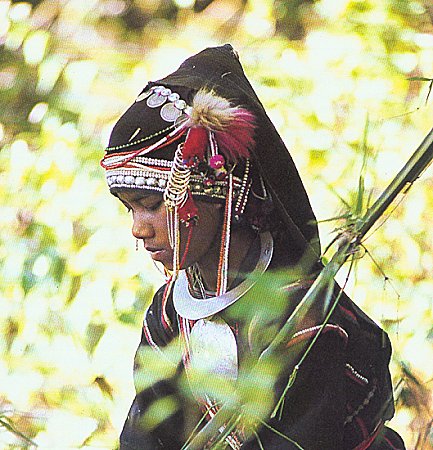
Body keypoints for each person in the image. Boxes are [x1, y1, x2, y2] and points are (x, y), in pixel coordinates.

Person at [101, 44, 405, 449]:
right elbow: (147, 436)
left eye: (153, 206)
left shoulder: (303, 313)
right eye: (130, 210)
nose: (139, 229)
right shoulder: (168, 317)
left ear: (214, 190)